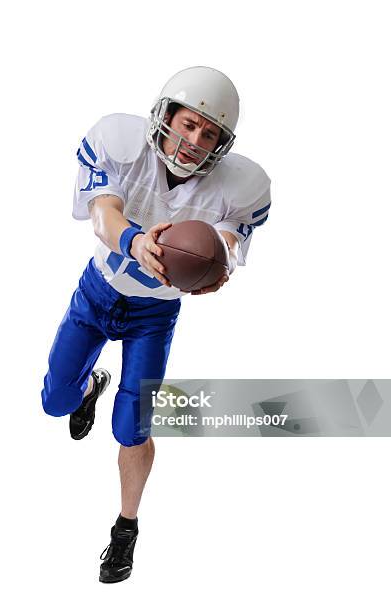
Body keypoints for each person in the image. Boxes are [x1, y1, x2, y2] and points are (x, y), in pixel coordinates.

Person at [41, 66, 272, 583]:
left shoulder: (240, 186)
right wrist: (135, 241)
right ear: (165, 116)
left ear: (223, 143)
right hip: (97, 294)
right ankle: (87, 389)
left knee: (131, 428)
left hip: (154, 315)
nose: (194, 141)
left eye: (209, 134)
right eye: (189, 124)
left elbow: (228, 243)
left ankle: (125, 528)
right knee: (53, 401)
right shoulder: (121, 143)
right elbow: (103, 213)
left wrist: (220, 263)